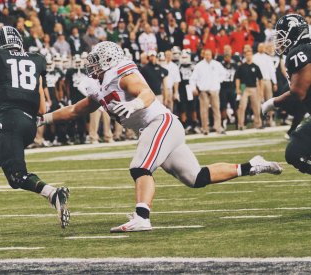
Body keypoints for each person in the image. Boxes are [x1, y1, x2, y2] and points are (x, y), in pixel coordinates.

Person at [40, 41, 282, 233]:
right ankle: (253, 165)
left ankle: (142, 217)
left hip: (160, 123)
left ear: (109, 60)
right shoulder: (99, 86)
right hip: (160, 128)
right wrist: (44, 119)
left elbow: (147, 93)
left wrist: (134, 104)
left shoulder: (122, 75)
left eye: (96, 61)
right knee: (196, 177)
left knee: (140, 167)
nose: (91, 66)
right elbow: (74, 110)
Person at [0, 26, 70, 236]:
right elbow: (43, 108)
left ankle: (53, 194)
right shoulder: (36, 59)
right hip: (29, 126)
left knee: (17, 177)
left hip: (9, 120)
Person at [262, 14, 311, 174]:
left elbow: (298, 92)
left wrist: (272, 103)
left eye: (282, 35)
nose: (279, 41)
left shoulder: (299, 52)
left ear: (294, 33)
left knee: (295, 153)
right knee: (295, 152)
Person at [235, 50, 263, 130]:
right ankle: (240, 124)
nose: (249, 56)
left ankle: (258, 123)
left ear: (252, 56)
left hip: (254, 87)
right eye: (247, 55)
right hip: (244, 87)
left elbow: (260, 79)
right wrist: (238, 88)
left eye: (250, 55)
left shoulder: (256, 66)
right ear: (245, 56)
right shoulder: (241, 67)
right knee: (242, 106)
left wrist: (261, 90)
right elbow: (237, 78)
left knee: (256, 107)